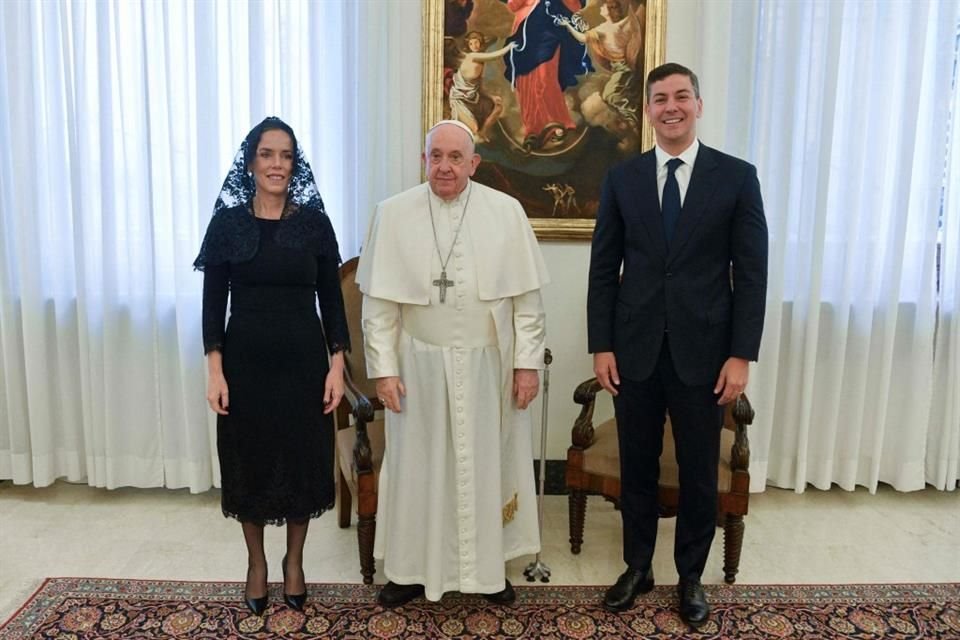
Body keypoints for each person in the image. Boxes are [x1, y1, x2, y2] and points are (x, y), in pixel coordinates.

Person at [587, 63, 768, 628]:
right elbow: (602, 271)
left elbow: (752, 273)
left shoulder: (736, 177)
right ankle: (638, 567)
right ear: (647, 109)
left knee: (697, 471)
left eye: (681, 96)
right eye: (660, 98)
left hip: (706, 356)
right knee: (637, 467)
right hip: (634, 350)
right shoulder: (623, 178)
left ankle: (691, 574)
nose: (671, 106)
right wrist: (602, 346)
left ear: (698, 104)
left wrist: (742, 354)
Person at [356, 120, 549, 607]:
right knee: (417, 467)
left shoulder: (506, 213)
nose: (444, 166)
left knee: (488, 466)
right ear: (423, 160)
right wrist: (383, 371)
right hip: (417, 367)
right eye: (435, 156)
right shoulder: (393, 213)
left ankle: (488, 572)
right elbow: (378, 308)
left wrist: (527, 366)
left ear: (474, 163)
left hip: (488, 367)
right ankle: (409, 571)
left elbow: (527, 304)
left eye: (455, 157)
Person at [194, 117, 349, 616]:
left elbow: (332, 300)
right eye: (267, 154)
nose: (277, 164)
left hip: (304, 364)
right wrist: (215, 370)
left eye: (285, 155)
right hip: (245, 366)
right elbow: (213, 303)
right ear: (251, 162)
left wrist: (337, 364)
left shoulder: (314, 224)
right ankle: (257, 563)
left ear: (294, 163)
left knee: (304, 461)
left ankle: (295, 563)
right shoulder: (228, 224)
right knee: (251, 463)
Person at [502, 0, 593, 149]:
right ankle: (533, 126)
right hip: (525, 29)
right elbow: (513, 5)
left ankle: (555, 119)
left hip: (549, 29)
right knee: (525, 80)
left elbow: (574, 4)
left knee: (546, 77)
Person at [449, 31, 516, 143]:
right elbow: (494, 56)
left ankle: (483, 132)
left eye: (477, 42)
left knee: (498, 106)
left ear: (480, 43)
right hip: (460, 99)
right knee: (473, 130)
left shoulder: (480, 62)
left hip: (473, 97)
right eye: (471, 43)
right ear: (468, 46)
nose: (474, 46)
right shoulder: (472, 56)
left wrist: (491, 96)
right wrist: (509, 47)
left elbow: (478, 86)